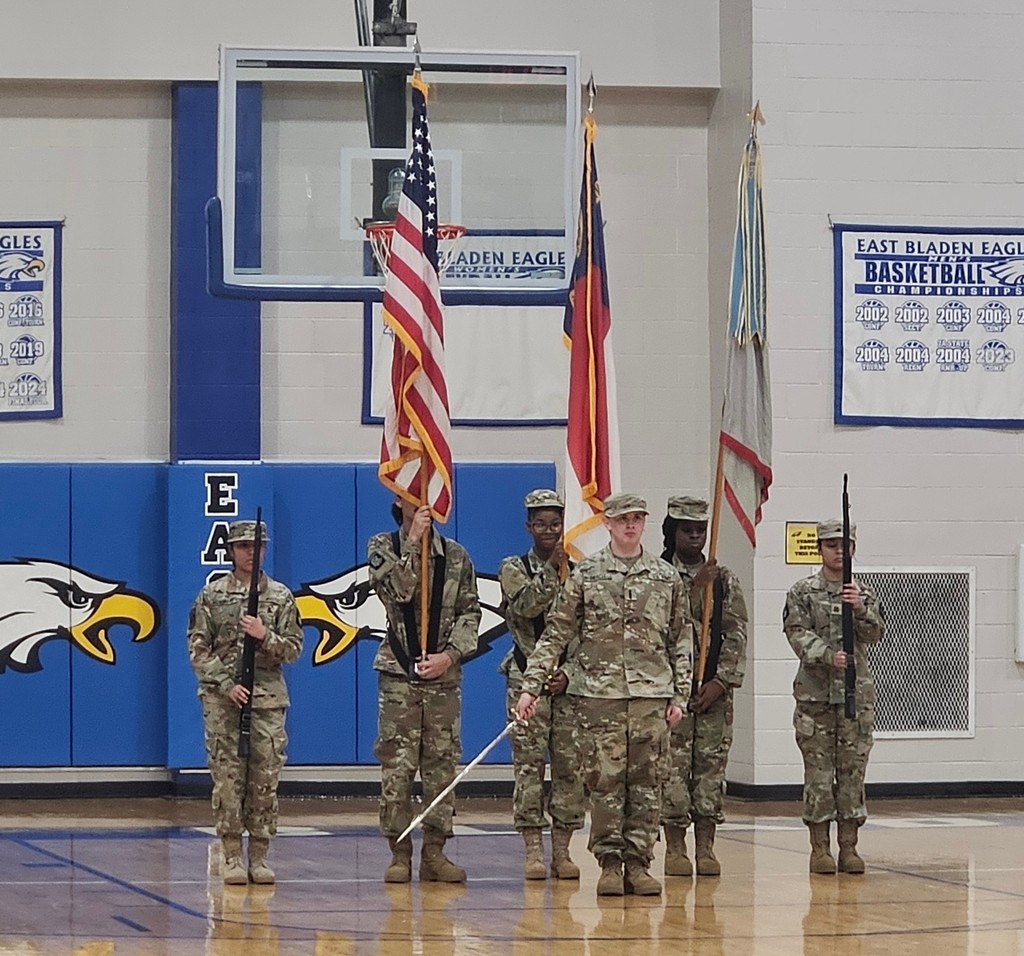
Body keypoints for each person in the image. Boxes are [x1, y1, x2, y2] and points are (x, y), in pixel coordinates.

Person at [516, 492, 692, 897]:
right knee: (606, 783)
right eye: (622, 519)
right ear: (607, 524)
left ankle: (640, 863)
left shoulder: (666, 577)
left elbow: (681, 637)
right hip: (601, 697)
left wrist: (680, 695)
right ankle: (610, 864)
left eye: (637, 518)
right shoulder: (588, 574)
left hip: (651, 695)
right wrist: (531, 687)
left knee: (648, 784)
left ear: (644, 524)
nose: (630, 525)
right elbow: (557, 632)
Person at [368, 495, 482, 884]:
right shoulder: (383, 547)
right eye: (413, 499)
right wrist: (413, 540)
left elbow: (471, 612)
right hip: (399, 676)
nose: (422, 507)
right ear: (399, 501)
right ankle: (400, 853)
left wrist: (449, 656)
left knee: (441, 767)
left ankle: (435, 852)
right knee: (397, 769)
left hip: (443, 679)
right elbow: (397, 592)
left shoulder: (455, 555)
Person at [187, 519, 304, 885]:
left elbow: (295, 649)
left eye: (257, 546)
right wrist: (226, 685)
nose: (251, 553)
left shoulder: (281, 597)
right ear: (231, 551)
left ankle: (260, 855)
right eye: (243, 547)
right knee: (228, 779)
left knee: (264, 779)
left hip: (267, 702)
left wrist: (265, 634)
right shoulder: (212, 596)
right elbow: (198, 649)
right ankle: (232, 854)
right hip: (224, 703)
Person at [783, 519, 885, 874]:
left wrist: (859, 607)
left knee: (852, 773)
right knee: (819, 775)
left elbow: (874, 634)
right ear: (820, 549)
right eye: (831, 544)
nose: (839, 551)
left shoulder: (864, 594)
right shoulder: (802, 591)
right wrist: (828, 655)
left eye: (845, 544)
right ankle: (820, 848)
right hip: (816, 698)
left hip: (855, 697)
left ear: (854, 549)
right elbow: (796, 633)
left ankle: (849, 847)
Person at [499, 488, 584, 881]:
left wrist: (573, 674)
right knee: (529, 768)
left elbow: (590, 629)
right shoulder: (514, 566)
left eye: (555, 523)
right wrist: (553, 567)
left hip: (569, 684)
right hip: (525, 679)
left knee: (570, 769)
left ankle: (563, 850)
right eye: (541, 523)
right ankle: (533, 849)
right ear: (528, 526)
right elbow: (525, 606)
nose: (549, 530)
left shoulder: (581, 570)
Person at [659, 495, 748, 877]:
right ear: (672, 531)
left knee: (710, 772)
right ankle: (675, 847)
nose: (694, 537)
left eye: (700, 530)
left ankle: (707, 847)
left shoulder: (724, 579)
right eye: (686, 530)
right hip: (670, 693)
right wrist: (695, 587)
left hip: (712, 693)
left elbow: (736, 633)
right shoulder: (658, 574)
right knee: (673, 772)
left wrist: (721, 682)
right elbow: (658, 626)